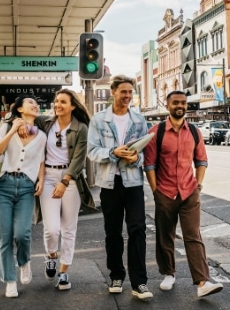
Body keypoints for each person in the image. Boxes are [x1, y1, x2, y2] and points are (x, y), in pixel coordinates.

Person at [143, 90, 224, 298]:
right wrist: (155, 191)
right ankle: (168, 273)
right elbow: (149, 165)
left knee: (193, 236)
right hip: (165, 192)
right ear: (168, 106)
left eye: (183, 103)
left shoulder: (195, 132)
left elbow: (202, 161)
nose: (180, 106)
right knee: (165, 235)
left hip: (189, 192)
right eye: (176, 102)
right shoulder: (156, 132)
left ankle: (202, 282)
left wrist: (198, 186)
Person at [87, 74, 153, 301]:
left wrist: (136, 158)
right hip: (109, 182)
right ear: (113, 92)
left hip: (133, 181)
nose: (127, 96)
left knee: (137, 229)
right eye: (123, 91)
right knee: (113, 232)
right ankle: (116, 275)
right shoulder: (98, 120)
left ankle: (140, 282)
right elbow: (92, 152)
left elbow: (144, 152)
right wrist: (113, 153)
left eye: (130, 92)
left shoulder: (139, 120)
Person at [0, 95, 45, 298]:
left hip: (25, 187)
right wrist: (13, 128)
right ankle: (10, 280)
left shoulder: (41, 135)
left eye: (37, 103)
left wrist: (40, 179)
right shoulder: (6, 127)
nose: (35, 105)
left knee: (22, 233)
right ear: (20, 109)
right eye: (30, 102)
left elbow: (41, 160)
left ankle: (24, 261)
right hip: (2, 186)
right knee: (4, 236)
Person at [37, 89, 89, 291]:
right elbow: (20, 116)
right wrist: (21, 126)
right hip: (48, 177)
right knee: (51, 229)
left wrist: (65, 181)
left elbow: (78, 159)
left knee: (68, 229)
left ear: (73, 106)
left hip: (71, 180)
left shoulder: (81, 128)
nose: (58, 105)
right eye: (56, 101)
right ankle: (51, 256)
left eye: (63, 102)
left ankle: (64, 272)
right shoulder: (46, 123)